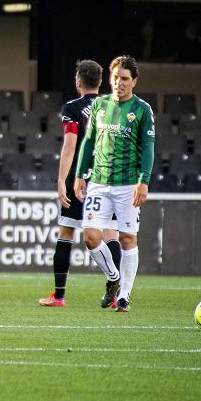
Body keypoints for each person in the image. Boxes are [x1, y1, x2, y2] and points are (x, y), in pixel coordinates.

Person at [74, 55, 155, 313]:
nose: (119, 83)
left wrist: (144, 181)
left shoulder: (142, 109)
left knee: (127, 238)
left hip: (127, 184)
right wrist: (78, 175)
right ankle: (113, 278)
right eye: (115, 77)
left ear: (134, 81)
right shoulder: (99, 104)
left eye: (124, 79)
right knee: (90, 236)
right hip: (98, 181)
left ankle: (124, 296)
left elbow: (149, 147)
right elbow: (88, 141)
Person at [39, 60, 121, 308]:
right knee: (110, 233)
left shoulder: (72, 108)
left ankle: (59, 296)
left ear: (78, 82)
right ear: (101, 82)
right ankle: (116, 293)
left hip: (80, 179)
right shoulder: (113, 107)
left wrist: (62, 181)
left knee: (66, 232)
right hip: (109, 177)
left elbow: (70, 145)